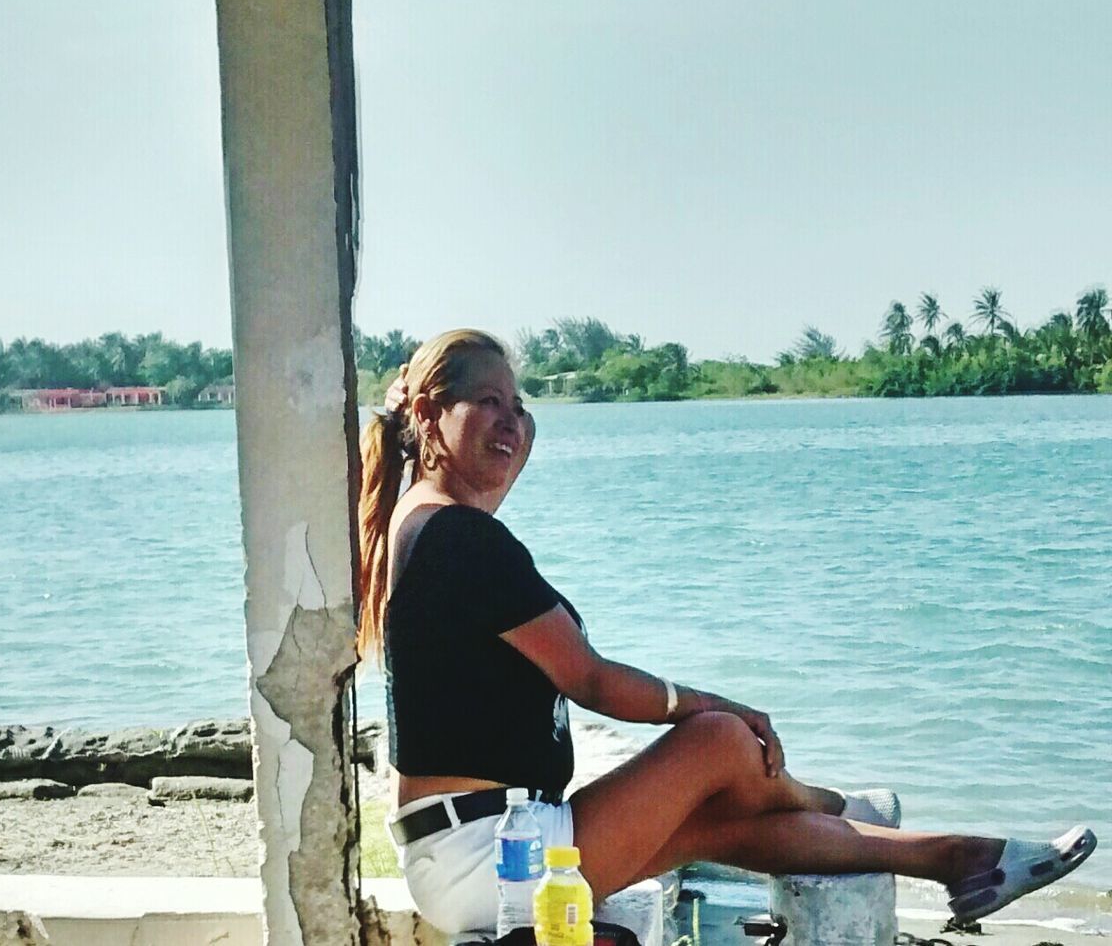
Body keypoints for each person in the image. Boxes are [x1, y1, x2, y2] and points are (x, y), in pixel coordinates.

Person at [356, 328, 1096, 936]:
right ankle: (825, 801)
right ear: (428, 413)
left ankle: (964, 858)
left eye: (521, 408)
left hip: (479, 846)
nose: (514, 424)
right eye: (489, 403)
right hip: (491, 856)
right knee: (718, 741)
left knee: (720, 825)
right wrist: (726, 708)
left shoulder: (433, 527)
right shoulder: (456, 536)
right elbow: (592, 679)